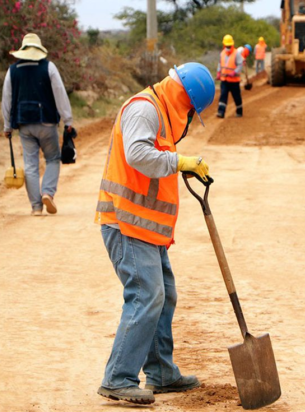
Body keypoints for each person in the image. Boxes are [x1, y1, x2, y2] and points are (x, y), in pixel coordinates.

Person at [94, 62, 216, 405]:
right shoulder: (144, 109)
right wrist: (179, 161)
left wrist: (180, 162)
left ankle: (161, 373)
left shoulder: (162, 110)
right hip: (125, 222)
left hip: (145, 226)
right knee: (146, 296)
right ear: (187, 102)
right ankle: (118, 377)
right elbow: (136, 154)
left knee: (165, 295)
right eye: (193, 112)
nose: (190, 120)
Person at [2, 33, 75, 216]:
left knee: (30, 165)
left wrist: (7, 126)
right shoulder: (48, 67)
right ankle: (48, 193)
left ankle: (36, 206)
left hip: (24, 124)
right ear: (39, 50)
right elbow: (60, 94)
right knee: (52, 159)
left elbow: (6, 100)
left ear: (23, 50)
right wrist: (68, 120)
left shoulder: (12, 71)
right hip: (47, 123)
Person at [216, 34, 244, 118]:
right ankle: (221, 112)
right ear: (224, 44)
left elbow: (240, 64)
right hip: (224, 79)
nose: (228, 46)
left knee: (236, 96)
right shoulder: (222, 53)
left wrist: (234, 72)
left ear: (232, 44)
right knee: (223, 95)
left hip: (234, 80)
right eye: (226, 45)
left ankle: (239, 111)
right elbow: (220, 64)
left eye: (229, 45)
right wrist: (218, 72)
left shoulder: (237, 53)